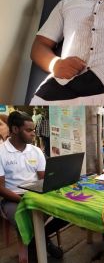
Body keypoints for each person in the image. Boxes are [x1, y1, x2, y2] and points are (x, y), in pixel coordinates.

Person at [0, 111, 65, 259]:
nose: (34, 134)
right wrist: (23, 200)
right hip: (12, 197)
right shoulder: (1, 152)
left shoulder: (36, 151)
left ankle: (40, 242)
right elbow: (0, 188)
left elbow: (43, 180)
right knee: (24, 217)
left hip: (36, 193)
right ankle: (43, 245)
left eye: (34, 130)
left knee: (65, 211)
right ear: (15, 130)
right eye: (29, 130)